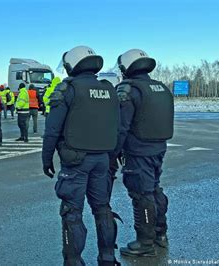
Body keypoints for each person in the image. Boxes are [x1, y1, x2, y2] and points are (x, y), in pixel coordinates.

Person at [42, 46, 120, 266]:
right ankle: (107, 257)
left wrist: (46, 158)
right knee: (102, 208)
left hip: (75, 160)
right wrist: (112, 155)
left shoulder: (67, 89)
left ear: (72, 64)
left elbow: (52, 130)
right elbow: (118, 126)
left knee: (72, 212)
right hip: (102, 159)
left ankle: (74, 261)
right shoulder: (108, 89)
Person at [114, 49, 174, 257]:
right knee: (154, 189)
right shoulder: (161, 87)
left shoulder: (129, 89)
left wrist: (114, 153)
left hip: (137, 151)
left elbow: (121, 127)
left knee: (142, 194)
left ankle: (145, 242)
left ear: (127, 67)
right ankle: (160, 233)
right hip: (158, 148)